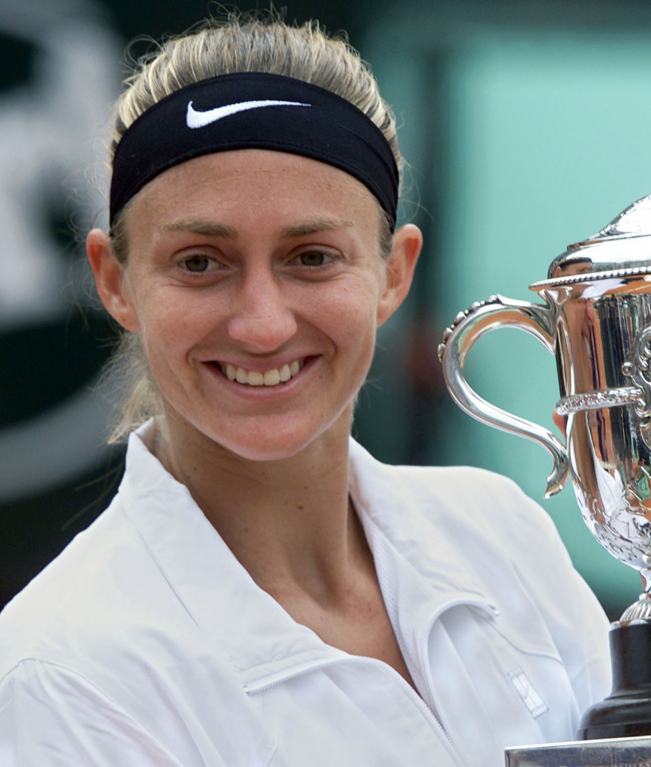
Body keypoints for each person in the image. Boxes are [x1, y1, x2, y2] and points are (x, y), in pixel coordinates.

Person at [0, 16, 611, 766]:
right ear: (115, 281)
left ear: (394, 271)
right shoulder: (59, 672)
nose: (262, 323)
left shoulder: (502, 536)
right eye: (199, 262)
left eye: (312, 256)